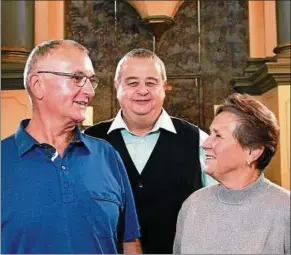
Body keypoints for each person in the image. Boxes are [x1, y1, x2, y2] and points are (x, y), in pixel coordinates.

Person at [1, 39, 142, 254]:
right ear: (37, 84)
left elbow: (130, 242)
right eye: (77, 78)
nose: (89, 91)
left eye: (90, 80)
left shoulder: (107, 156)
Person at [84, 48, 215, 253]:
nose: (142, 90)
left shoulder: (198, 140)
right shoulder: (89, 141)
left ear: (164, 87)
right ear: (117, 86)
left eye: (151, 83)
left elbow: (220, 208)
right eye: (133, 82)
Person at [173, 93, 290, 254]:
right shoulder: (193, 205)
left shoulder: (285, 209)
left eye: (218, 136)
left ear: (253, 151)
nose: (206, 143)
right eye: (210, 134)